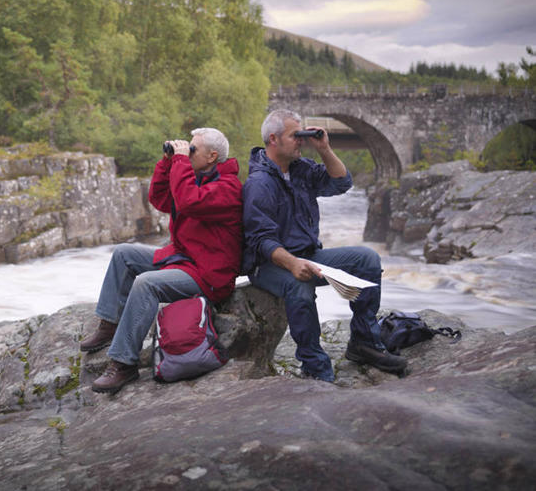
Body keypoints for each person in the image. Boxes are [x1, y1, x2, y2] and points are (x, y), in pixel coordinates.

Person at [242, 109, 406, 382]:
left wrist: (325, 149)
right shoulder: (259, 183)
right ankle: (314, 365)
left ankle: (364, 344)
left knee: (367, 259)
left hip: (308, 254)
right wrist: (293, 264)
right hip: (268, 264)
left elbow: (341, 183)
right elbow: (260, 240)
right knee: (299, 286)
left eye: (302, 135)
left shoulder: (301, 170)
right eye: (295, 135)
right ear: (273, 139)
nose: (301, 140)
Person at [79, 127, 243, 394]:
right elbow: (160, 199)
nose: (187, 153)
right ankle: (110, 325)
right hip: (185, 258)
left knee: (146, 283)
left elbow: (189, 202)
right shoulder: (196, 178)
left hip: (209, 274)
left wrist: (179, 162)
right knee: (124, 253)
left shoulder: (228, 188)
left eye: (193, 149)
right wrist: (167, 163)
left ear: (212, 156)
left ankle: (124, 363)